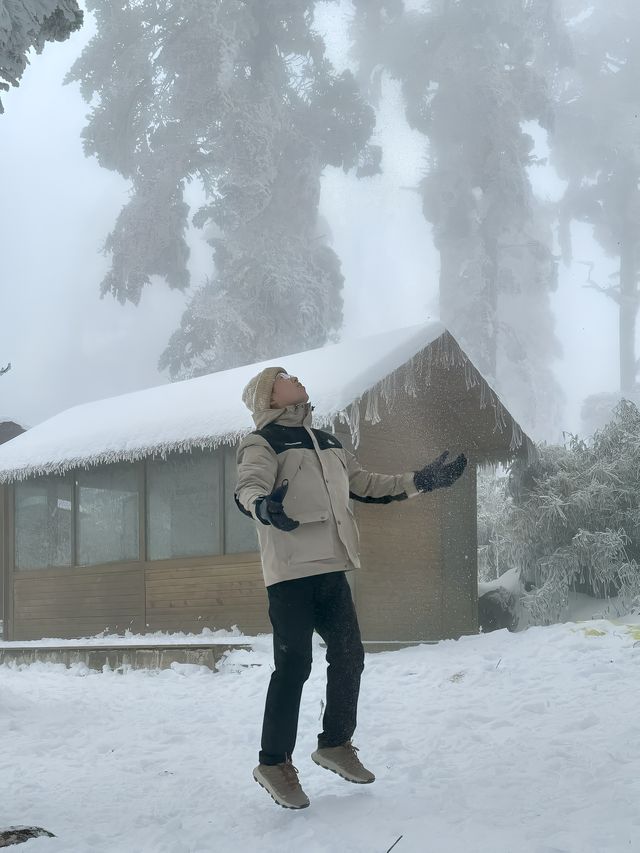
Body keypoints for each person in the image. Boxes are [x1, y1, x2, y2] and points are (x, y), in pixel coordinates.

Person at [235, 366, 467, 809]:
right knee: (295, 665)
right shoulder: (262, 443)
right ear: (269, 396)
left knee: (350, 654)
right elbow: (247, 487)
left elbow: (366, 487)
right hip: (289, 573)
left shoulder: (329, 442)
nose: (296, 377)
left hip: (332, 567)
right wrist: (264, 507)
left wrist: (422, 480)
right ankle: (273, 762)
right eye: (283, 376)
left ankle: (335, 743)